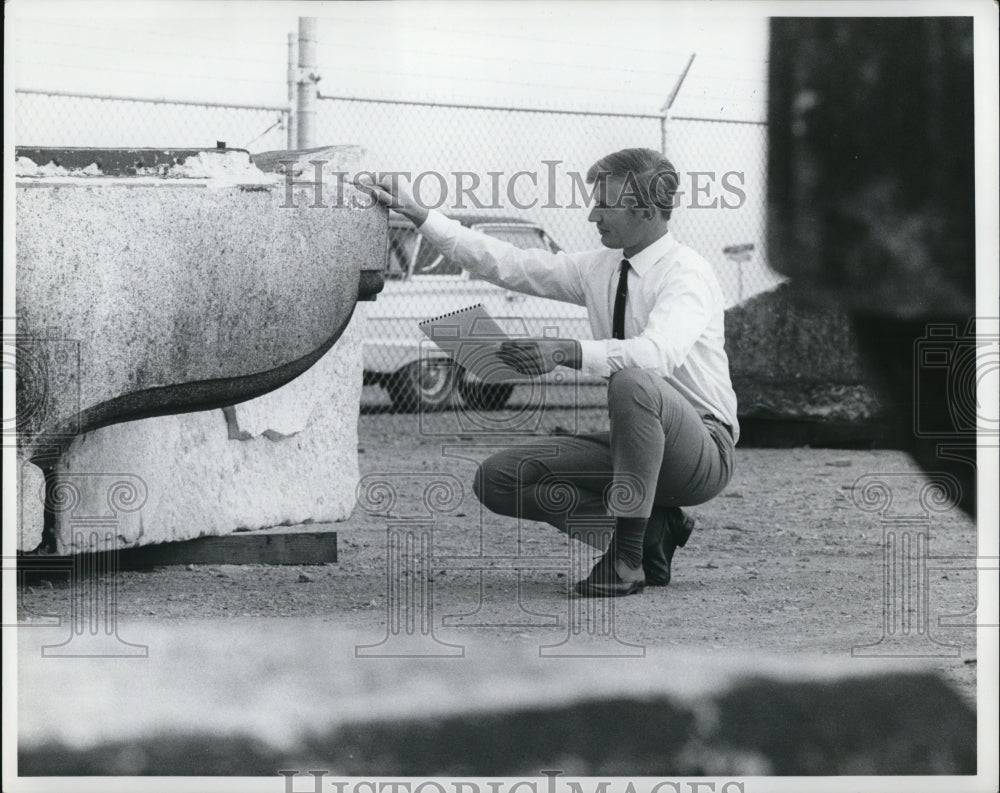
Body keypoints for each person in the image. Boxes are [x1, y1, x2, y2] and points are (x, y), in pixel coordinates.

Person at [356, 148, 738, 597]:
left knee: (635, 382)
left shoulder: (687, 273)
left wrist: (563, 350)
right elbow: (508, 264)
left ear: (647, 210)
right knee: (500, 479)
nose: (593, 214)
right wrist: (421, 215)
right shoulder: (600, 267)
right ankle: (653, 531)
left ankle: (627, 559)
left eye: (605, 204)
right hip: (635, 448)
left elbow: (656, 355)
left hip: (702, 452)